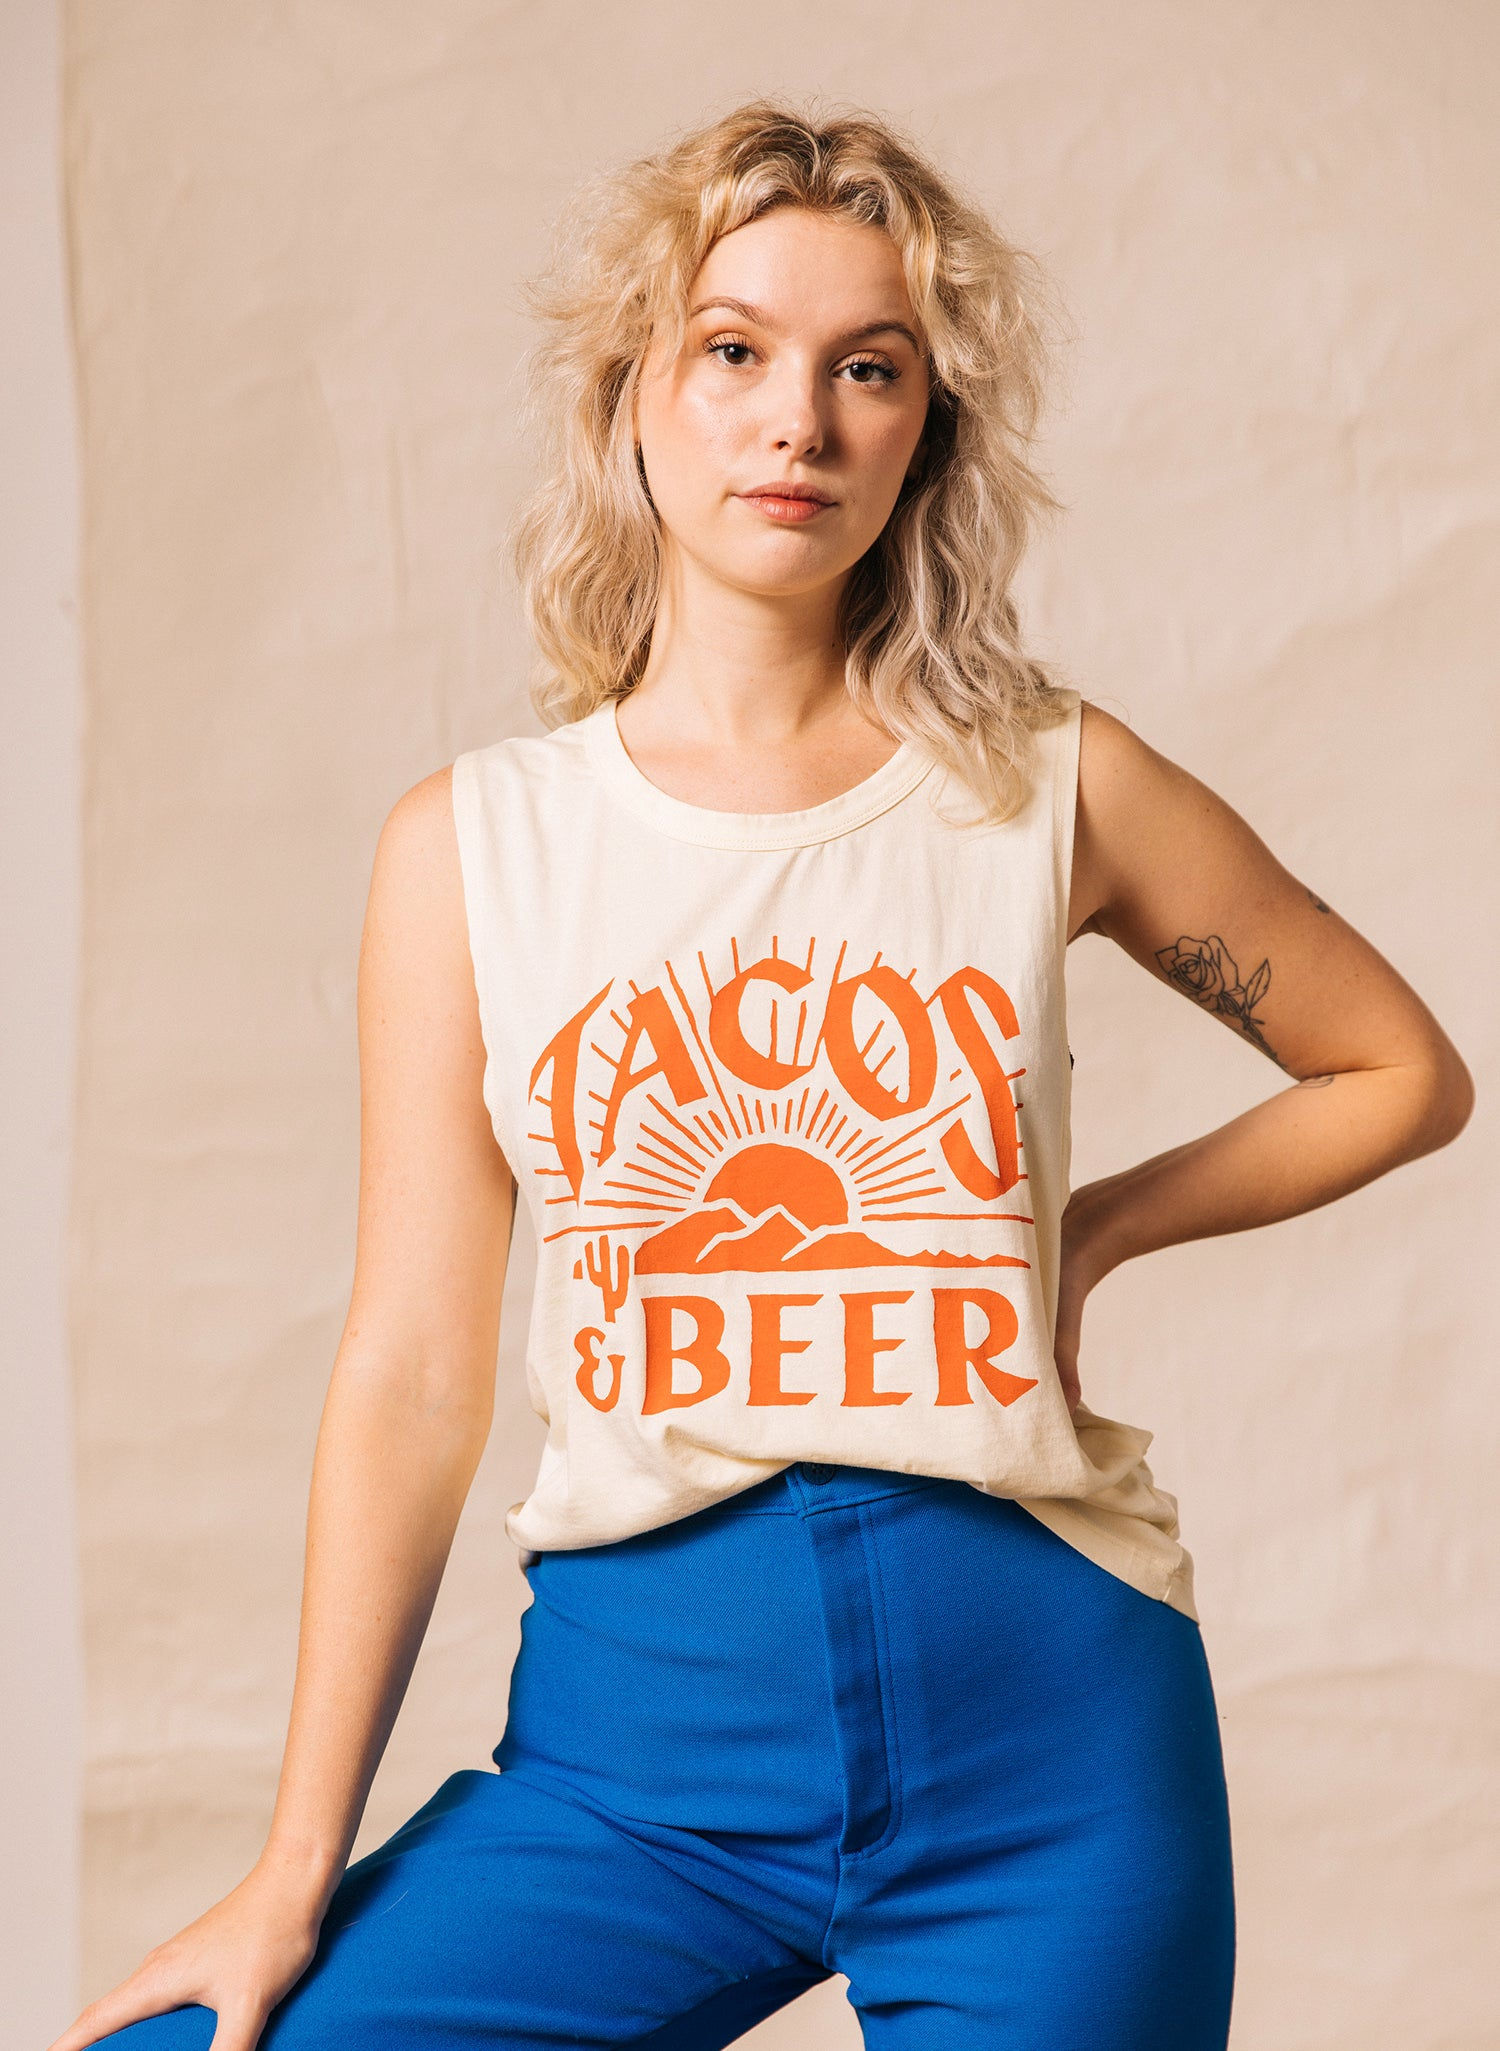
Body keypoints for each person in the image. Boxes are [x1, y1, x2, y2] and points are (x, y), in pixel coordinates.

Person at [53, 97, 1474, 2051]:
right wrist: (294, 1865)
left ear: (926, 430)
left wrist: (1090, 1229)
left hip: (1047, 1749)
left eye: (866, 369)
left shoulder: (1047, 787)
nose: (796, 420)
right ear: (631, 397)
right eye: (734, 350)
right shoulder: (475, 851)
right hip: (641, 1760)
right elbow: (411, 1373)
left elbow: (1397, 1068)